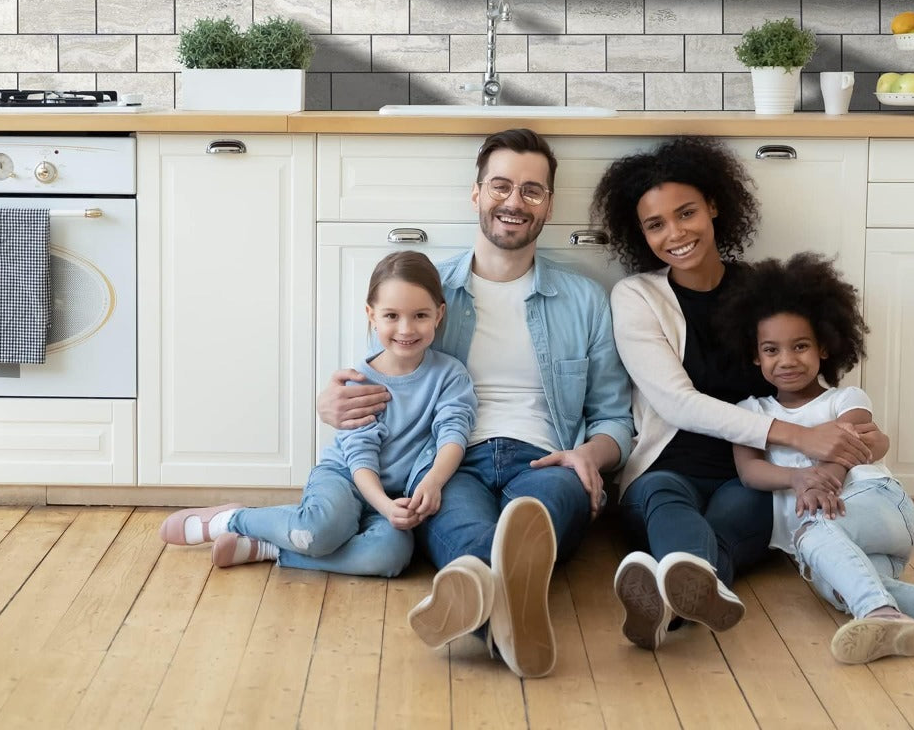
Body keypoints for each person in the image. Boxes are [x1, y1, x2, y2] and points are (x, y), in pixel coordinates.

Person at [318, 128, 634, 678]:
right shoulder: (423, 291)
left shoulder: (585, 300)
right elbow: (375, 386)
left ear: (549, 205)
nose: (514, 202)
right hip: (449, 463)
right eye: (501, 186)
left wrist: (592, 455)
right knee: (460, 527)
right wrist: (331, 404)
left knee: (537, 514)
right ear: (476, 194)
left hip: (549, 459)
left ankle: (479, 607)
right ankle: (511, 616)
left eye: (532, 191)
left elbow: (613, 415)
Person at [590, 136, 888, 650]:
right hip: (664, 468)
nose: (675, 233)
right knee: (665, 501)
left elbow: (805, 372)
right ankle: (687, 592)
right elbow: (676, 403)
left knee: (734, 518)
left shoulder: (765, 290)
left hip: (751, 472)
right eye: (655, 224)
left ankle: (664, 606)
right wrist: (803, 437)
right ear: (639, 234)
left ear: (714, 206)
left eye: (686, 213)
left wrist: (836, 440)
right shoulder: (636, 295)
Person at [158, 250, 476, 578]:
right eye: (392, 316)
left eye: (420, 315)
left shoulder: (451, 375)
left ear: (439, 315)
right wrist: (382, 504)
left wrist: (434, 481)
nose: (406, 328)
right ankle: (234, 519)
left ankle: (269, 548)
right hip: (346, 478)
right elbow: (360, 457)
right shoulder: (360, 380)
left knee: (390, 556)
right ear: (371, 315)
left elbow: (454, 431)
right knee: (320, 530)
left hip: (397, 496)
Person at [722, 252, 914, 664]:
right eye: (771, 349)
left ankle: (879, 616)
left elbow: (854, 445)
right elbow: (750, 471)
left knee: (811, 533)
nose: (786, 360)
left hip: (878, 506)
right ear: (754, 355)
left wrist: (826, 477)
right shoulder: (750, 412)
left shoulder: (845, 398)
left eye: (800, 346)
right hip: (841, 542)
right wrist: (798, 479)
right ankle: (888, 610)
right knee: (839, 586)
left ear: (824, 347)